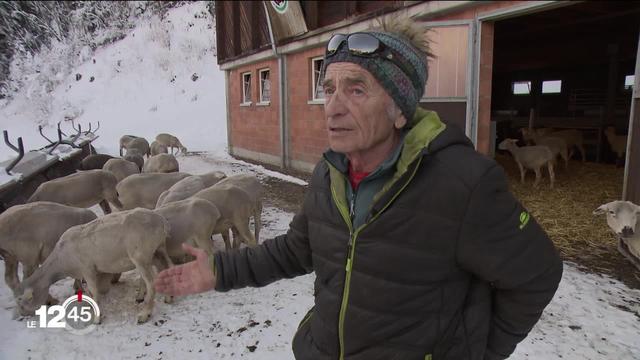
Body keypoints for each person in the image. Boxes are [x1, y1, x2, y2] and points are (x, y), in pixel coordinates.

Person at [155, 18, 563, 360]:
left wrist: (479, 351)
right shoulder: (329, 173)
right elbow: (299, 249)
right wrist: (220, 270)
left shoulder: (463, 183)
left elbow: (537, 274)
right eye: (328, 89)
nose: (333, 106)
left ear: (399, 109)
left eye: (356, 89)